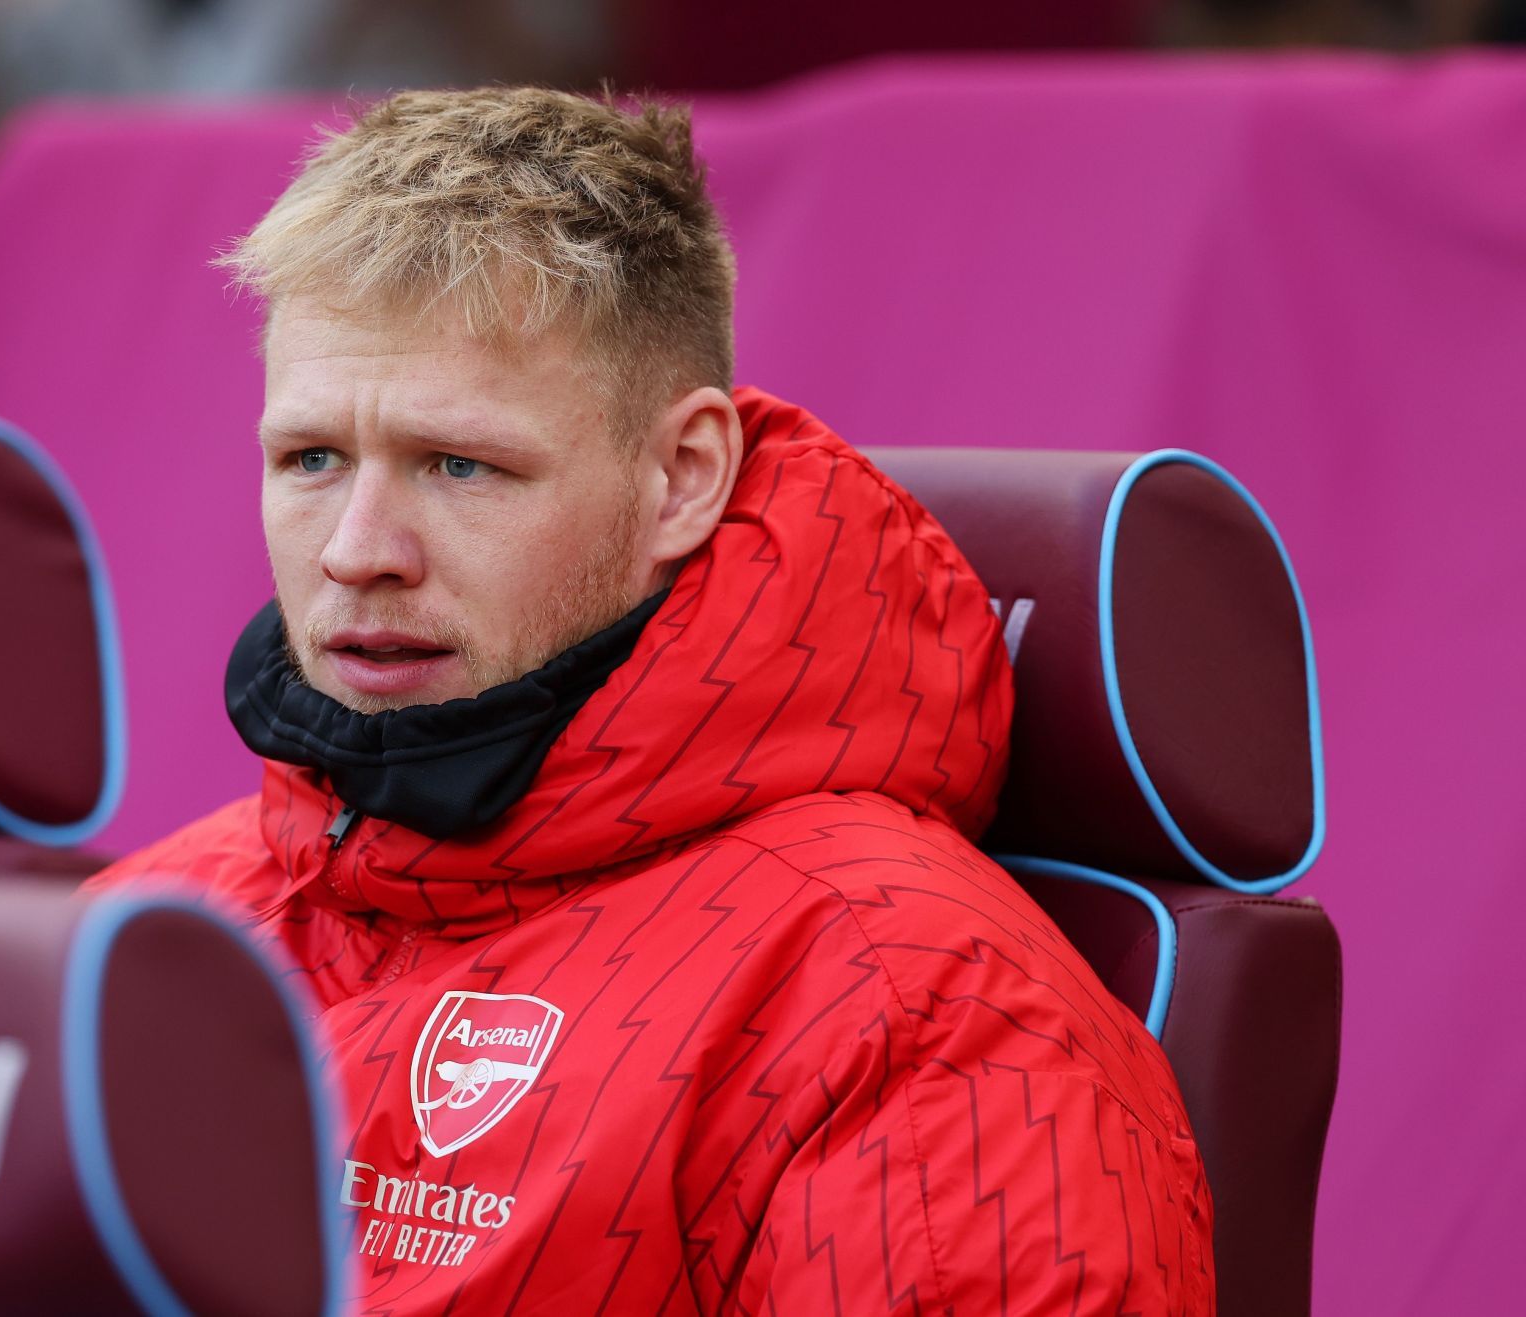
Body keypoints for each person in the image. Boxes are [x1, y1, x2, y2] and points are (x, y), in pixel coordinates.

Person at [86, 87, 1214, 1313]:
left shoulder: (913, 1013)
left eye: (460, 464)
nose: (358, 549)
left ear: (682, 479)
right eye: (311, 459)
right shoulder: (141, 935)